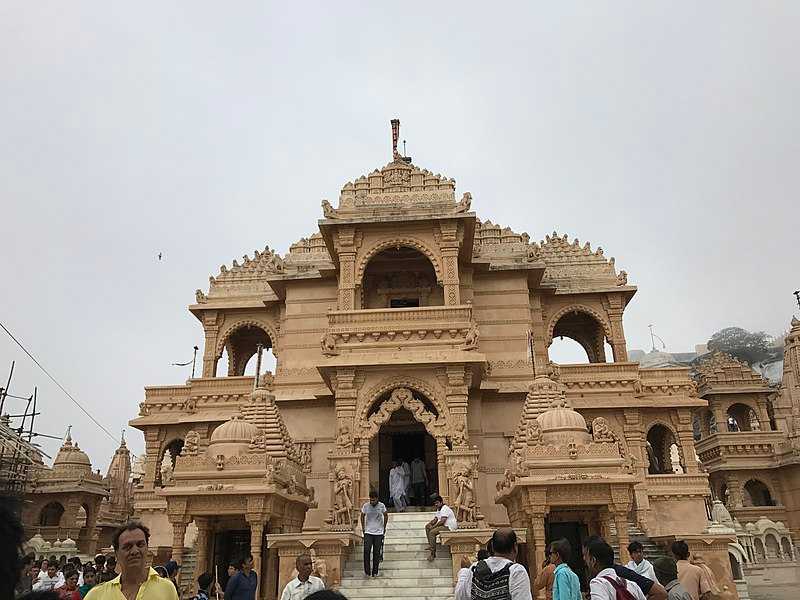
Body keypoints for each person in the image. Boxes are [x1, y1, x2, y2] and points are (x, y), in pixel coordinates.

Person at [84, 522, 178, 600]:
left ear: (147, 549)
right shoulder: (97, 595)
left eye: (140, 545)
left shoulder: (166, 589)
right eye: (127, 547)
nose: (135, 551)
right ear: (116, 554)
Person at [455, 528, 532, 600]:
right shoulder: (516, 571)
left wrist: (464, 571)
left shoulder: (474, 568)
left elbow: (460, 596)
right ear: (515, 547)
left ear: (492, 546)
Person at [582, 536, 667, 600]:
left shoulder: (598, 583)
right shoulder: (632, 584)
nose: (584, 559)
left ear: (593, 560)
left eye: (585, 555)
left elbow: (660, 593)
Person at [360, 490, 388, 577]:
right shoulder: (366, 506)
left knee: (376, 552)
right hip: (368, 532)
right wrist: (363, 528)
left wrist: (384, 527)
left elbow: (386, 515)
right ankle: (367, 571)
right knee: (366, 550)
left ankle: (375, 572)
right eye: (371, 500)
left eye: (374, 500)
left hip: (379, 532)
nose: (372, 502)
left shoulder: (381, 506)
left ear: (377, 499)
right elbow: (362, 515)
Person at [425, 494, 458, 561]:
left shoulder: (445, 508)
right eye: (435, 503)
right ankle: (431, 545)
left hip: (449, 527)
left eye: (437, 503)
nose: (436, 505)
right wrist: (430, 523)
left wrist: (433, 527)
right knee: (427, 527)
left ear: (441, 502)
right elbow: (436, 519)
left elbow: (442, 521)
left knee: (432, 532)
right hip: (444, 526)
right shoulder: (439, 509)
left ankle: (433, 554)